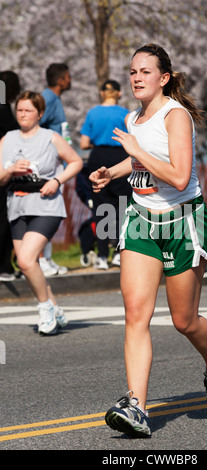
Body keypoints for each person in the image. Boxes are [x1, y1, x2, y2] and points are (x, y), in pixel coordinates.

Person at [89, 43, 207, 438]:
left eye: (145, 71)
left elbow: (179, 174)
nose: (136, 77)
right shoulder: (132, 117)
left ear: (164, 77)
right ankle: (137, 405)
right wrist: (113, 171)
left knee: (184, 320)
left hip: (183, 222)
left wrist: (135, 151)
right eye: (132, 71)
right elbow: (140, 160)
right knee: (136, 313)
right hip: (141, 220)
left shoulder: (176, 116)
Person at [0, 91, 83, 335]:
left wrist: (57, 180)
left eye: (28, 110)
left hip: (46, 203)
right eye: (19, 110)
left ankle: (45, 308)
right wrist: (11, 169)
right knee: (29, 264)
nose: (23, 115)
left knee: (25, 259)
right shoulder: (7, 139)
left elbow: (76, 162)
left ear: (40, 114)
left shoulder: (51, 137)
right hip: (17, 204)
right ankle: (55, 307)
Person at [80, 79, 132, 269]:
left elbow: (84, 143)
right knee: (123, 205)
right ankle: (120, 252)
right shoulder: (126, 114)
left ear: (102, 93)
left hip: (98, 157)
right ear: (119, 94)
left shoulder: (93, 113)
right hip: (120, 158)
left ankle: (102, 256)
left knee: (101, 208)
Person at [39, 63, 72, 276]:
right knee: (43, 212)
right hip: (46, 163)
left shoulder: (55, 99)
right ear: (60, 80)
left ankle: (47, 259)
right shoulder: (48, 99)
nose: (70, 80)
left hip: (57, 164)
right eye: (68, 77)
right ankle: (40, 259)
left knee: (52, 212)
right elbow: (35, 123)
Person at [0, 71, 21, 282]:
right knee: (4, 219)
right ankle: (4, 265)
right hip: (3, 170)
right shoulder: (3, 109)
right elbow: (15, 133)